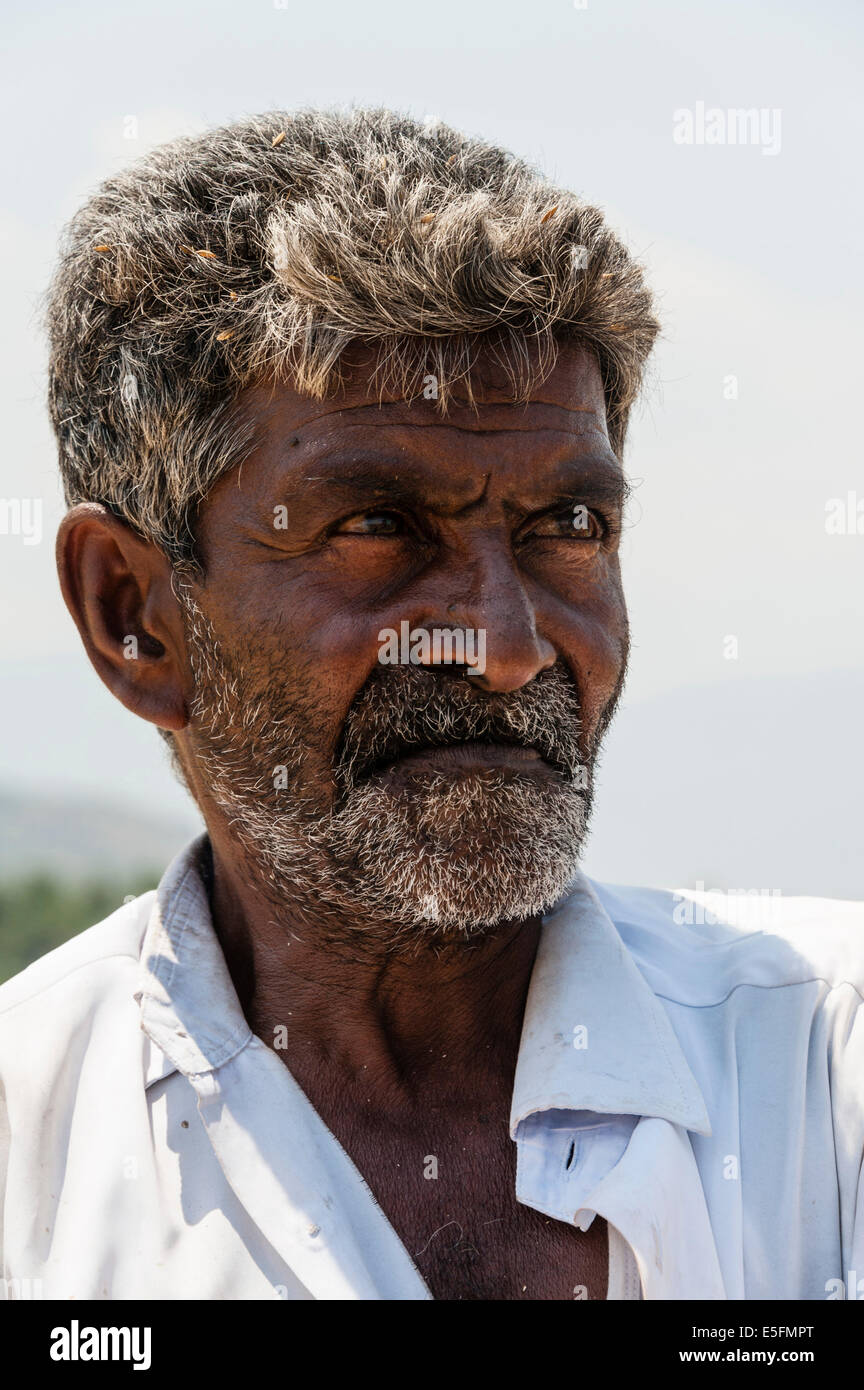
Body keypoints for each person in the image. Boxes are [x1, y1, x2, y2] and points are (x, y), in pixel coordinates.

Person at [0, 107, 860, 1302]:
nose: (505, 649)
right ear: (133, 614)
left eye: (567, 527)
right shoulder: (25, 1168)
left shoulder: (828, 1075)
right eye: (377, 528)